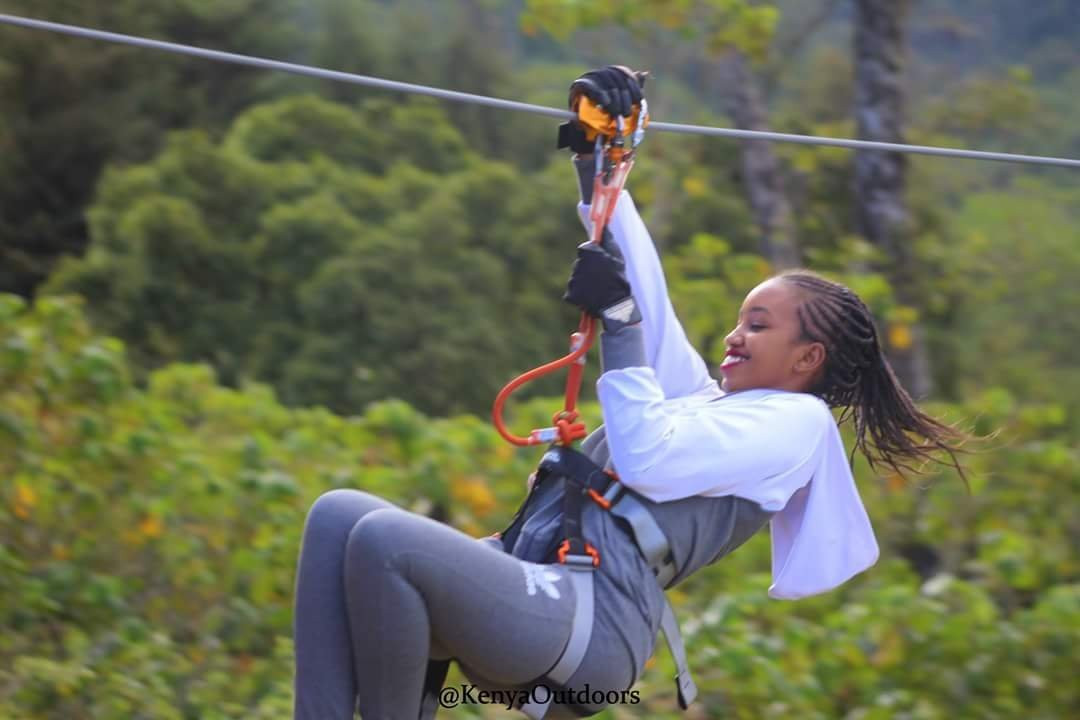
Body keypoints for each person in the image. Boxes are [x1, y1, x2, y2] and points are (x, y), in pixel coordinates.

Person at [291, 66, 966, 720]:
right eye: (738, 319)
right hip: (532, 585)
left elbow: (648, 457)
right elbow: (644, 288)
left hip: (587, 625)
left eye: (758, 326)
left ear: (807, 359)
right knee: (336, 515)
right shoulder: (703, 402)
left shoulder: (798, 429)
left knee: (386, 540)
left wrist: (617, 325)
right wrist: (597, 153)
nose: (735, 334)